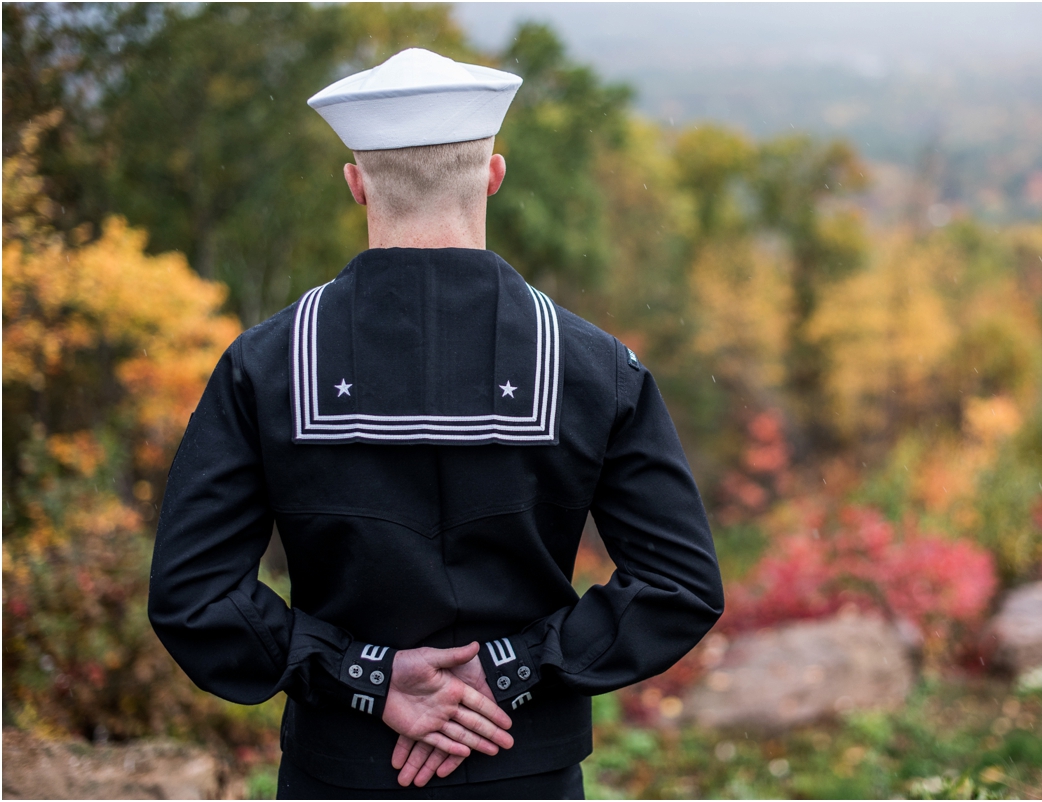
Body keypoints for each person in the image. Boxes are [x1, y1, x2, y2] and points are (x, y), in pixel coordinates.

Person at [148, 47, 723, 800]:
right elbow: (680, 584)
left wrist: (368, 676)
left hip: (341, 772)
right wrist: (510, 666)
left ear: (356, 185)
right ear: (493, 176)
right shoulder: (595, 365)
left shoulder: (265, 363)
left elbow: (194, 593)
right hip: (526, 770)